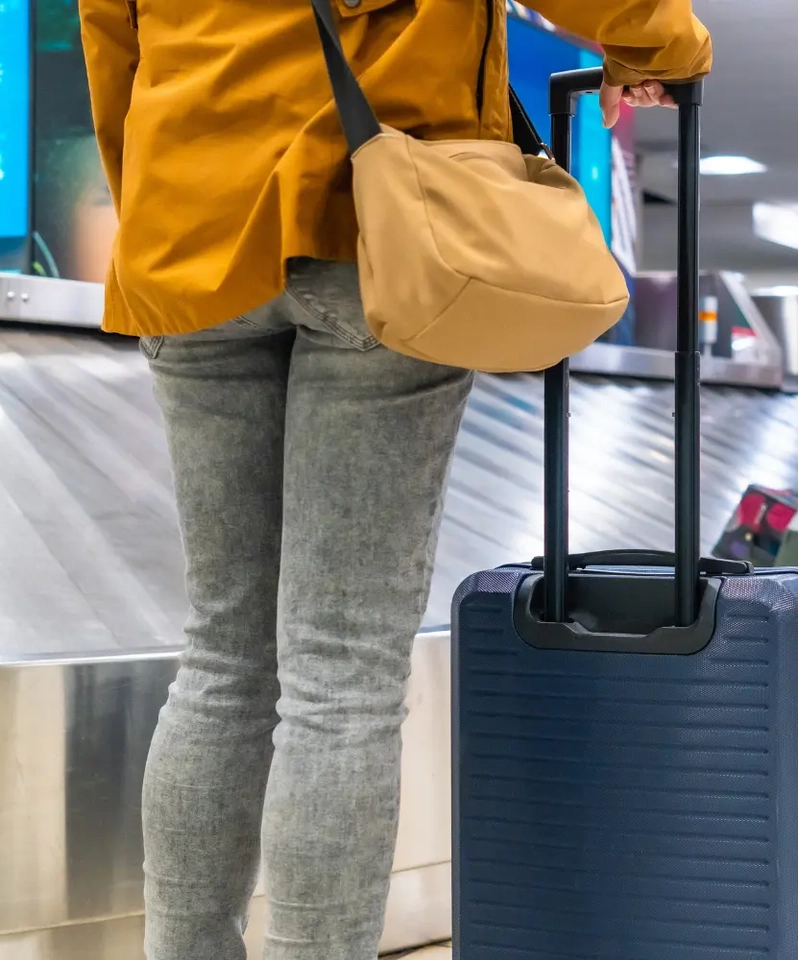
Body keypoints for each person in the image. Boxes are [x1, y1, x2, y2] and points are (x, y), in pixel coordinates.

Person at [77, 1, 712, 957]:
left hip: (190, 243)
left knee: (220, 658)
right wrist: (669, 49)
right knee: (341, 674)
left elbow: (110, 42)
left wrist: (157, 216)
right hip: (377, 224)